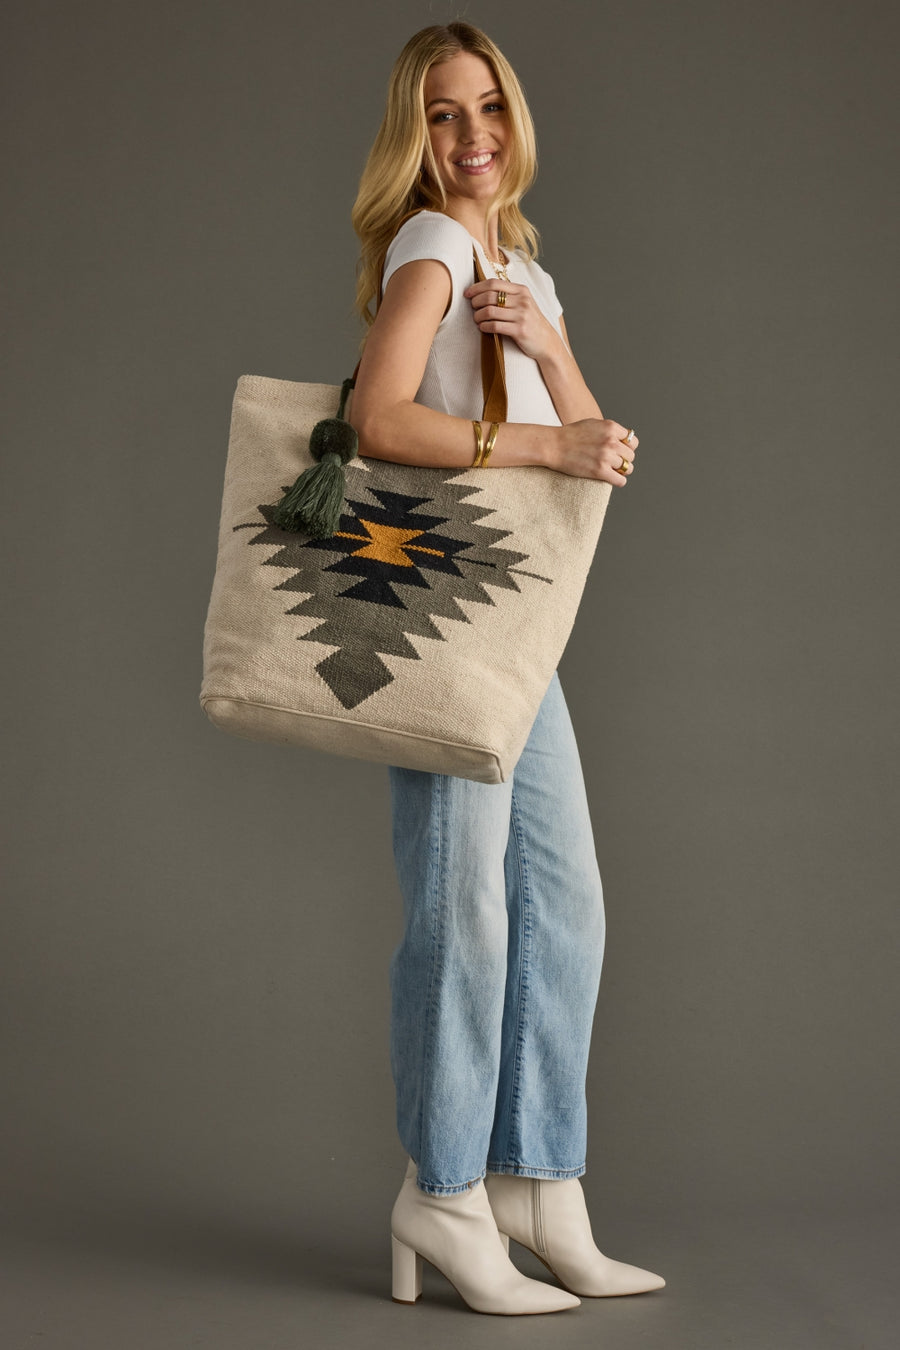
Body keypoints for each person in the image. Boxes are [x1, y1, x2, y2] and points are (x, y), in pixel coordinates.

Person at [349, 22, 664, 1315]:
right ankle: (444, 1189)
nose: (472, 137)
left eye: (488, 109)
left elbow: (591, 438)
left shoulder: (513, 257)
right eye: (441, 115)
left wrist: (541, 338)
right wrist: (531, 442)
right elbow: (375, 419)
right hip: (443, 616)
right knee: (462, 912)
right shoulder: (429, 242)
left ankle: (541, 1180)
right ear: (410, 134)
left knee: (562, 902)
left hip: (512, 628)